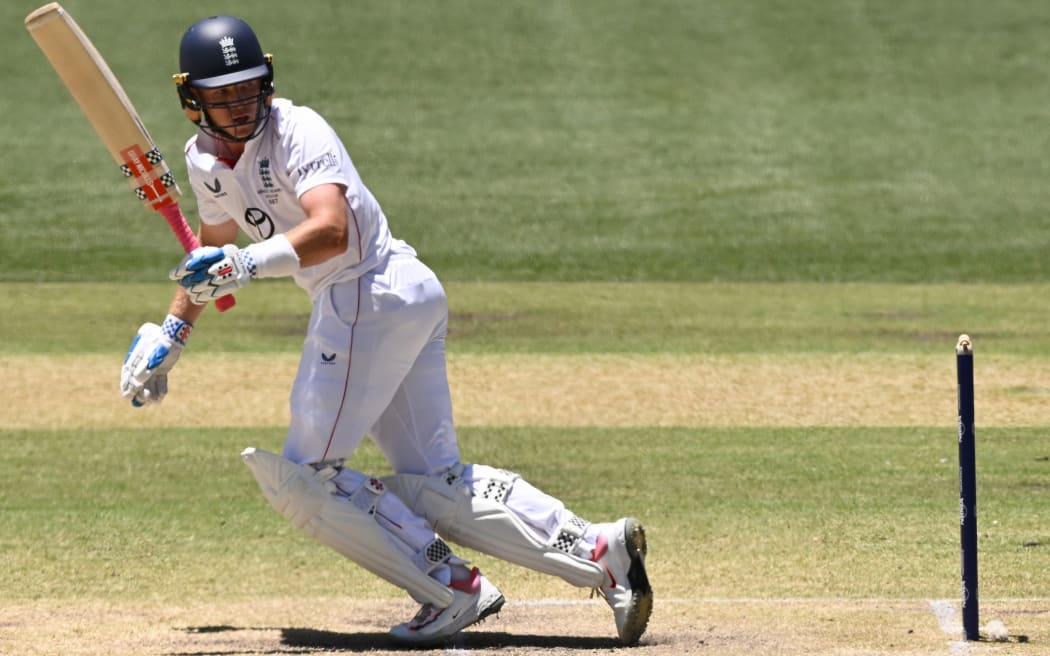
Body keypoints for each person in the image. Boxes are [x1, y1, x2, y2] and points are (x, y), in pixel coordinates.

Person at [119, 15, 652, 646]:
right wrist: (174, 333)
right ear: (193, 101)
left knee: (306, 477)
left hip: (369, 288)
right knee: (435, 479)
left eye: (248, 89)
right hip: (390, 299)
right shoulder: (202, 161)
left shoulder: (299, 128)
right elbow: (213, 246)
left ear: (267, 83)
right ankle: (600, 550)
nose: (239, 107)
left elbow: (332, 229)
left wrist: (243, 265)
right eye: (222, 96)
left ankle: (450, 588)